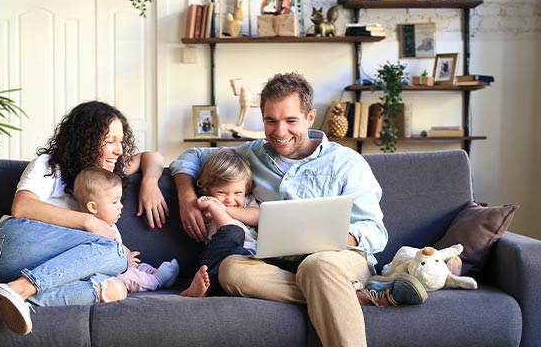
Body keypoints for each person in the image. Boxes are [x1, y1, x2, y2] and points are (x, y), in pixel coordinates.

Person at [170, 73, 428, 347]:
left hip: (338, 261)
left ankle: (337, 285)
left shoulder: (347, 163)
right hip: (276, 265)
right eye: (271, 121)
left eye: (291, 121)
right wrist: (186, 195)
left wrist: (330, 238)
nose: (280, 132)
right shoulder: (251, 154)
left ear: (309, 117)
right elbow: (192, 157)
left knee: (316, 265)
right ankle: (354, 295)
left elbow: (376, 232)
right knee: (232, 270)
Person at [0, 101, 169, 335]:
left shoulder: (106, 174)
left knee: (113, 288)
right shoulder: (50, 166)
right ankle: (19, 289)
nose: (119, 150)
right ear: (85, 141)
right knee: (115, 251)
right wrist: (89, 222)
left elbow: (151, 157)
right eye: (110, 141)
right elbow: (22, 206)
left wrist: (150, 183)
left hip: (35, 271)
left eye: (120, 141)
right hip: (9, 248)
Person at [73, 167, 179, 293]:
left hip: (121, 264)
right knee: (130, 278)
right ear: (93, 207)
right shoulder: (90, 230)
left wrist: (126, 254)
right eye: (114, 202)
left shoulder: (109, 224)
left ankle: (162, 276)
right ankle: (157, 281)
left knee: (140, 267)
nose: (121, 206)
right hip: (110, 273)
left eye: (120, 201)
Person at [180, 149, 258, 298]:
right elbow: (229, 229)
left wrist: (224, 208)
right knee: (234, 236)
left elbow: (258, 216)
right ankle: (200, 289)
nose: (230, 199)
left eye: (238, 193)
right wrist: (214, 208)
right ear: (206, 189)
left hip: (251, 260)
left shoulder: (247, 202)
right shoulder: (206, 206)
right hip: (221, 260)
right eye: (222, 192)